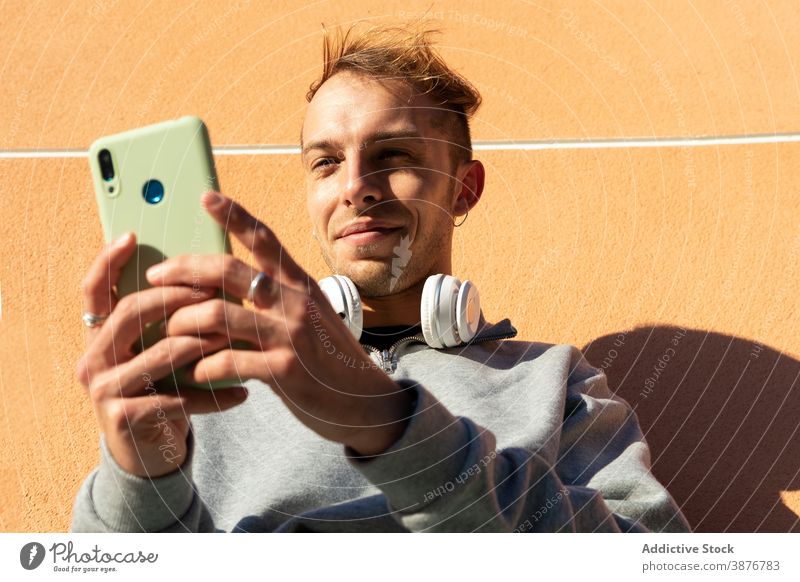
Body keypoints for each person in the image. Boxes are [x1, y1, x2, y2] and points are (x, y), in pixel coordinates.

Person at [70, 23, 690, 533]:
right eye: (326, 162)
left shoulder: (555, 382)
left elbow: (654, 562)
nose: (354, 187)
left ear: (463, 188)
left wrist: (388, 422)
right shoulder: (210, 381)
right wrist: (139, 483)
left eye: (393, 157)